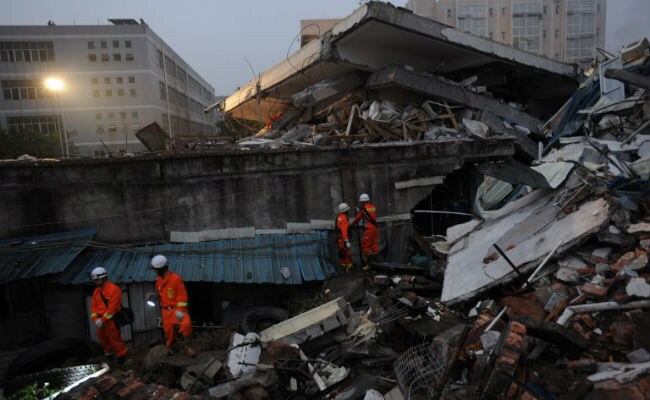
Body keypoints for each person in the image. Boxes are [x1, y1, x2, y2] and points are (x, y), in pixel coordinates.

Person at [150, 254, 193, 350]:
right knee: (169, 334)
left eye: (156, 270)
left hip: (177, 310)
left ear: (161, 269)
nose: (155, 272)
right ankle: (171, 348)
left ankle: (188, 345)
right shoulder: (159, 281)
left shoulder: (176, 279)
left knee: (186, 326)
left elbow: (183, 297)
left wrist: (180, 311)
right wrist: (153, 295)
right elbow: (160, 293)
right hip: (166, 312)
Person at [89, 267, 128, 366]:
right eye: (95, 280)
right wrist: (95, 319)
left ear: (104, 278)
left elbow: (112, 308)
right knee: (103, 338)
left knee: (115, 338)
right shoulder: (96, 291)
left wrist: (102, 319)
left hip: (112, 319)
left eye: (97, 280)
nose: (96, 282)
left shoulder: (114, 289)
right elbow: (93, 307)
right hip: (101, 320)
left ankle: (122, 356)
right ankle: (109, 355)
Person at [351, 193, 379, 269]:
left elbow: (357, 218)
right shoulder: (373, 207)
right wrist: (361, 210)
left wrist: (351, 225)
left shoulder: (363, 210)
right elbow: (368, 211)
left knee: (366, 247)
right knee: (375, 246)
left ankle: (370, 265)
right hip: (375, 229)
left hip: (369, 230)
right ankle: (377, 263)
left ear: (363, 201)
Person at [335, 203, 353, 272]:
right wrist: (347, 241)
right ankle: (349, 270)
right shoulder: (344, 218)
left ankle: (344, 269)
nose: (348, 211)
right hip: (343, 239)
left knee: (343, 255)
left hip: (340, 239)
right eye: (347, 210)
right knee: (347, 254)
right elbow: (344, 230)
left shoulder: (339, 217)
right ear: (345, 210)